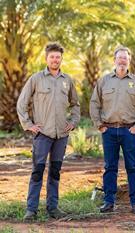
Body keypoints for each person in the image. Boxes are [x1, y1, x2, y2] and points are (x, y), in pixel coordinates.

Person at [17, 43, 80, 221]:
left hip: (61, 134)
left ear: (61, 59)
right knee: (37, 171)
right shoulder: (36, 79)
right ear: (46, 58)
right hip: (42, 134)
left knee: (55, 171)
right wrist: (28, 124)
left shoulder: (67, 80)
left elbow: (75, 104)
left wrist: (73, 122)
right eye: (52, 57)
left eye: (58, 57)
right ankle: (31, 210)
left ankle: (53, 208)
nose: (55, 59)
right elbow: (22, 103)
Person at [90, 46, 135, 214]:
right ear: (114, 60)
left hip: (128, 131)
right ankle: (109, 202)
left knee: (132, 166)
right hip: (108, 131)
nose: (122, 60)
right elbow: (94, 103)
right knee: (110, 167)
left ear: (129, 61)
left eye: (125, 58)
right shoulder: (104, 81)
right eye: (120, 58)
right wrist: (99, 125)